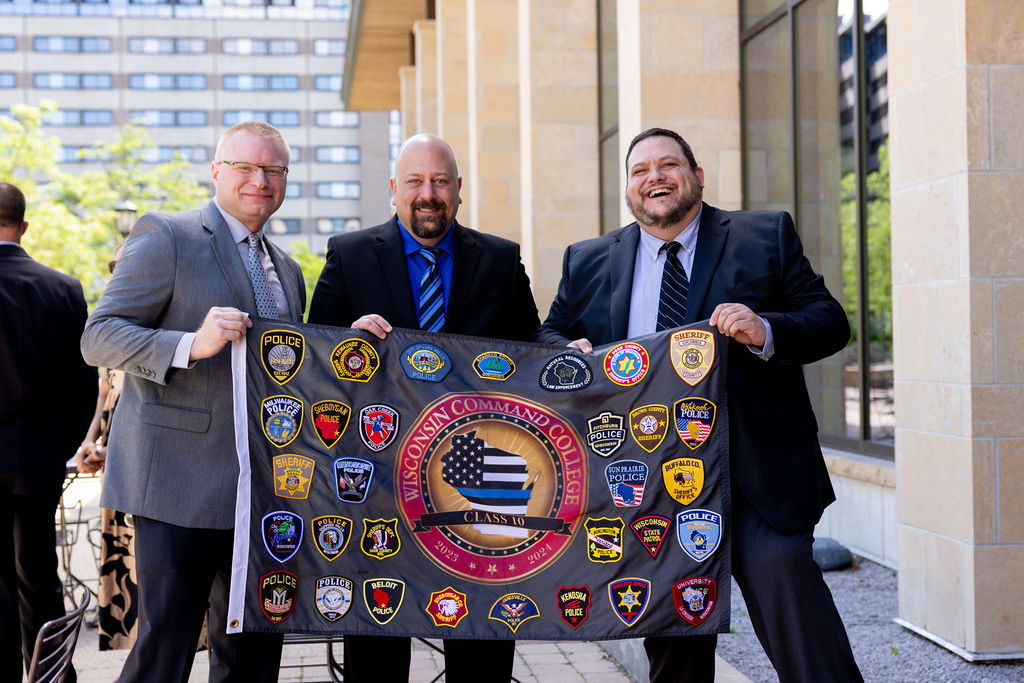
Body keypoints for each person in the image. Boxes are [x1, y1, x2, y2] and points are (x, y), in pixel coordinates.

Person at [535, 128, 862, 683]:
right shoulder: (587, 260)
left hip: (755, 474)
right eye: (640, 170)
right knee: (675, 645)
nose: (654, 177)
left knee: (792, 600)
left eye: (668, 165)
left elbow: (830, 321)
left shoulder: (764, 235)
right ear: (629, 187)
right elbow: (548, 335)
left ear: (697, 176)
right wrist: (569, 352)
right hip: (651, 487)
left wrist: (765, 329)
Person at [308, 133, 539, 682]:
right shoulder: (351, 253)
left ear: (458, 190)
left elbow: (533, 340)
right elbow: (313, 351)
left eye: (439, 182)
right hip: (380, 478)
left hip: (479, 480)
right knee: (378, 645)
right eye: (415, 182)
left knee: (480, 640)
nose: (427, 193)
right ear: (394, 190)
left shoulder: (501, 259)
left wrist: (572, 354)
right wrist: (347, 338)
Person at [81, 121, 305, 683]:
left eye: (274, 170)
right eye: (246, 167)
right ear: (216, 171)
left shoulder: (289, 270)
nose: (261, 180)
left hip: (259, 493)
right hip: (175, 485)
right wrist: (189, 344)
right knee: (166, 652)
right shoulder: (168, 235)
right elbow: (99, 335)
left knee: (252, 655)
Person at [0, 181, 96, 683]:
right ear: (25, 225)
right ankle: (53, 676)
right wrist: (60, 449)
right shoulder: (63, 287)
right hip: (38, 456)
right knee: (38, 573)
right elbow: (83, 384)